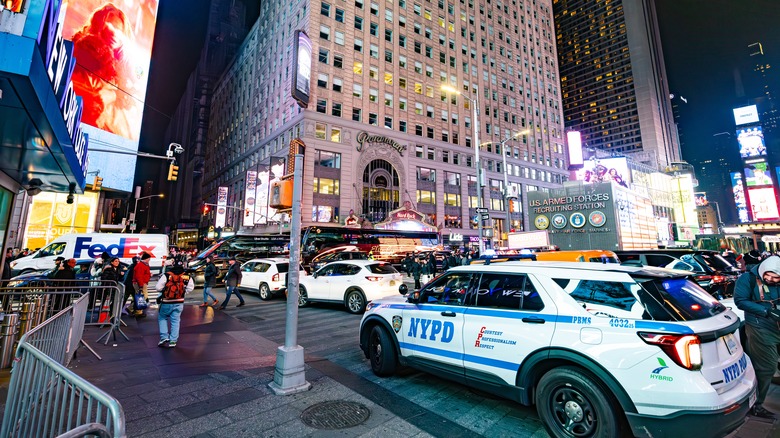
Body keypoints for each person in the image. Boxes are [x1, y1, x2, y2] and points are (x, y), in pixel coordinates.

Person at [734, 255, 780, 419]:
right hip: (759, 326)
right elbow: (740, 300)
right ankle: (757, 405)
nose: (771, 279)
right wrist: (766, 311)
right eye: (769, 276)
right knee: (766, 366)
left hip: (777, 326)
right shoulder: (748, 279)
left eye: (776, 278)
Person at [155, 264, 194, 348]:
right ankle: (173, 341)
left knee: (162, 318)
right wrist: (182, 293)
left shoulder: (167, 275)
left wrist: (165, 291)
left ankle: (164, 337)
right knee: (175, 321)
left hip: (166, 302)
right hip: (179, 302)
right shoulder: (187, 277)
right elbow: (190, 288)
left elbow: (158, 287)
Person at [132, 252, 152, 317]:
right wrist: (141, 285)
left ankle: (133, 309)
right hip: (141, 283)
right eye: (149, 258)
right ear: (146, 258)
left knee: (139, 296)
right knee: (142, 297)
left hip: (141, 283)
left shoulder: (142, 264)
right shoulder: (141, 265)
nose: (149, 260)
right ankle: (137, 312)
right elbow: (139, 276)